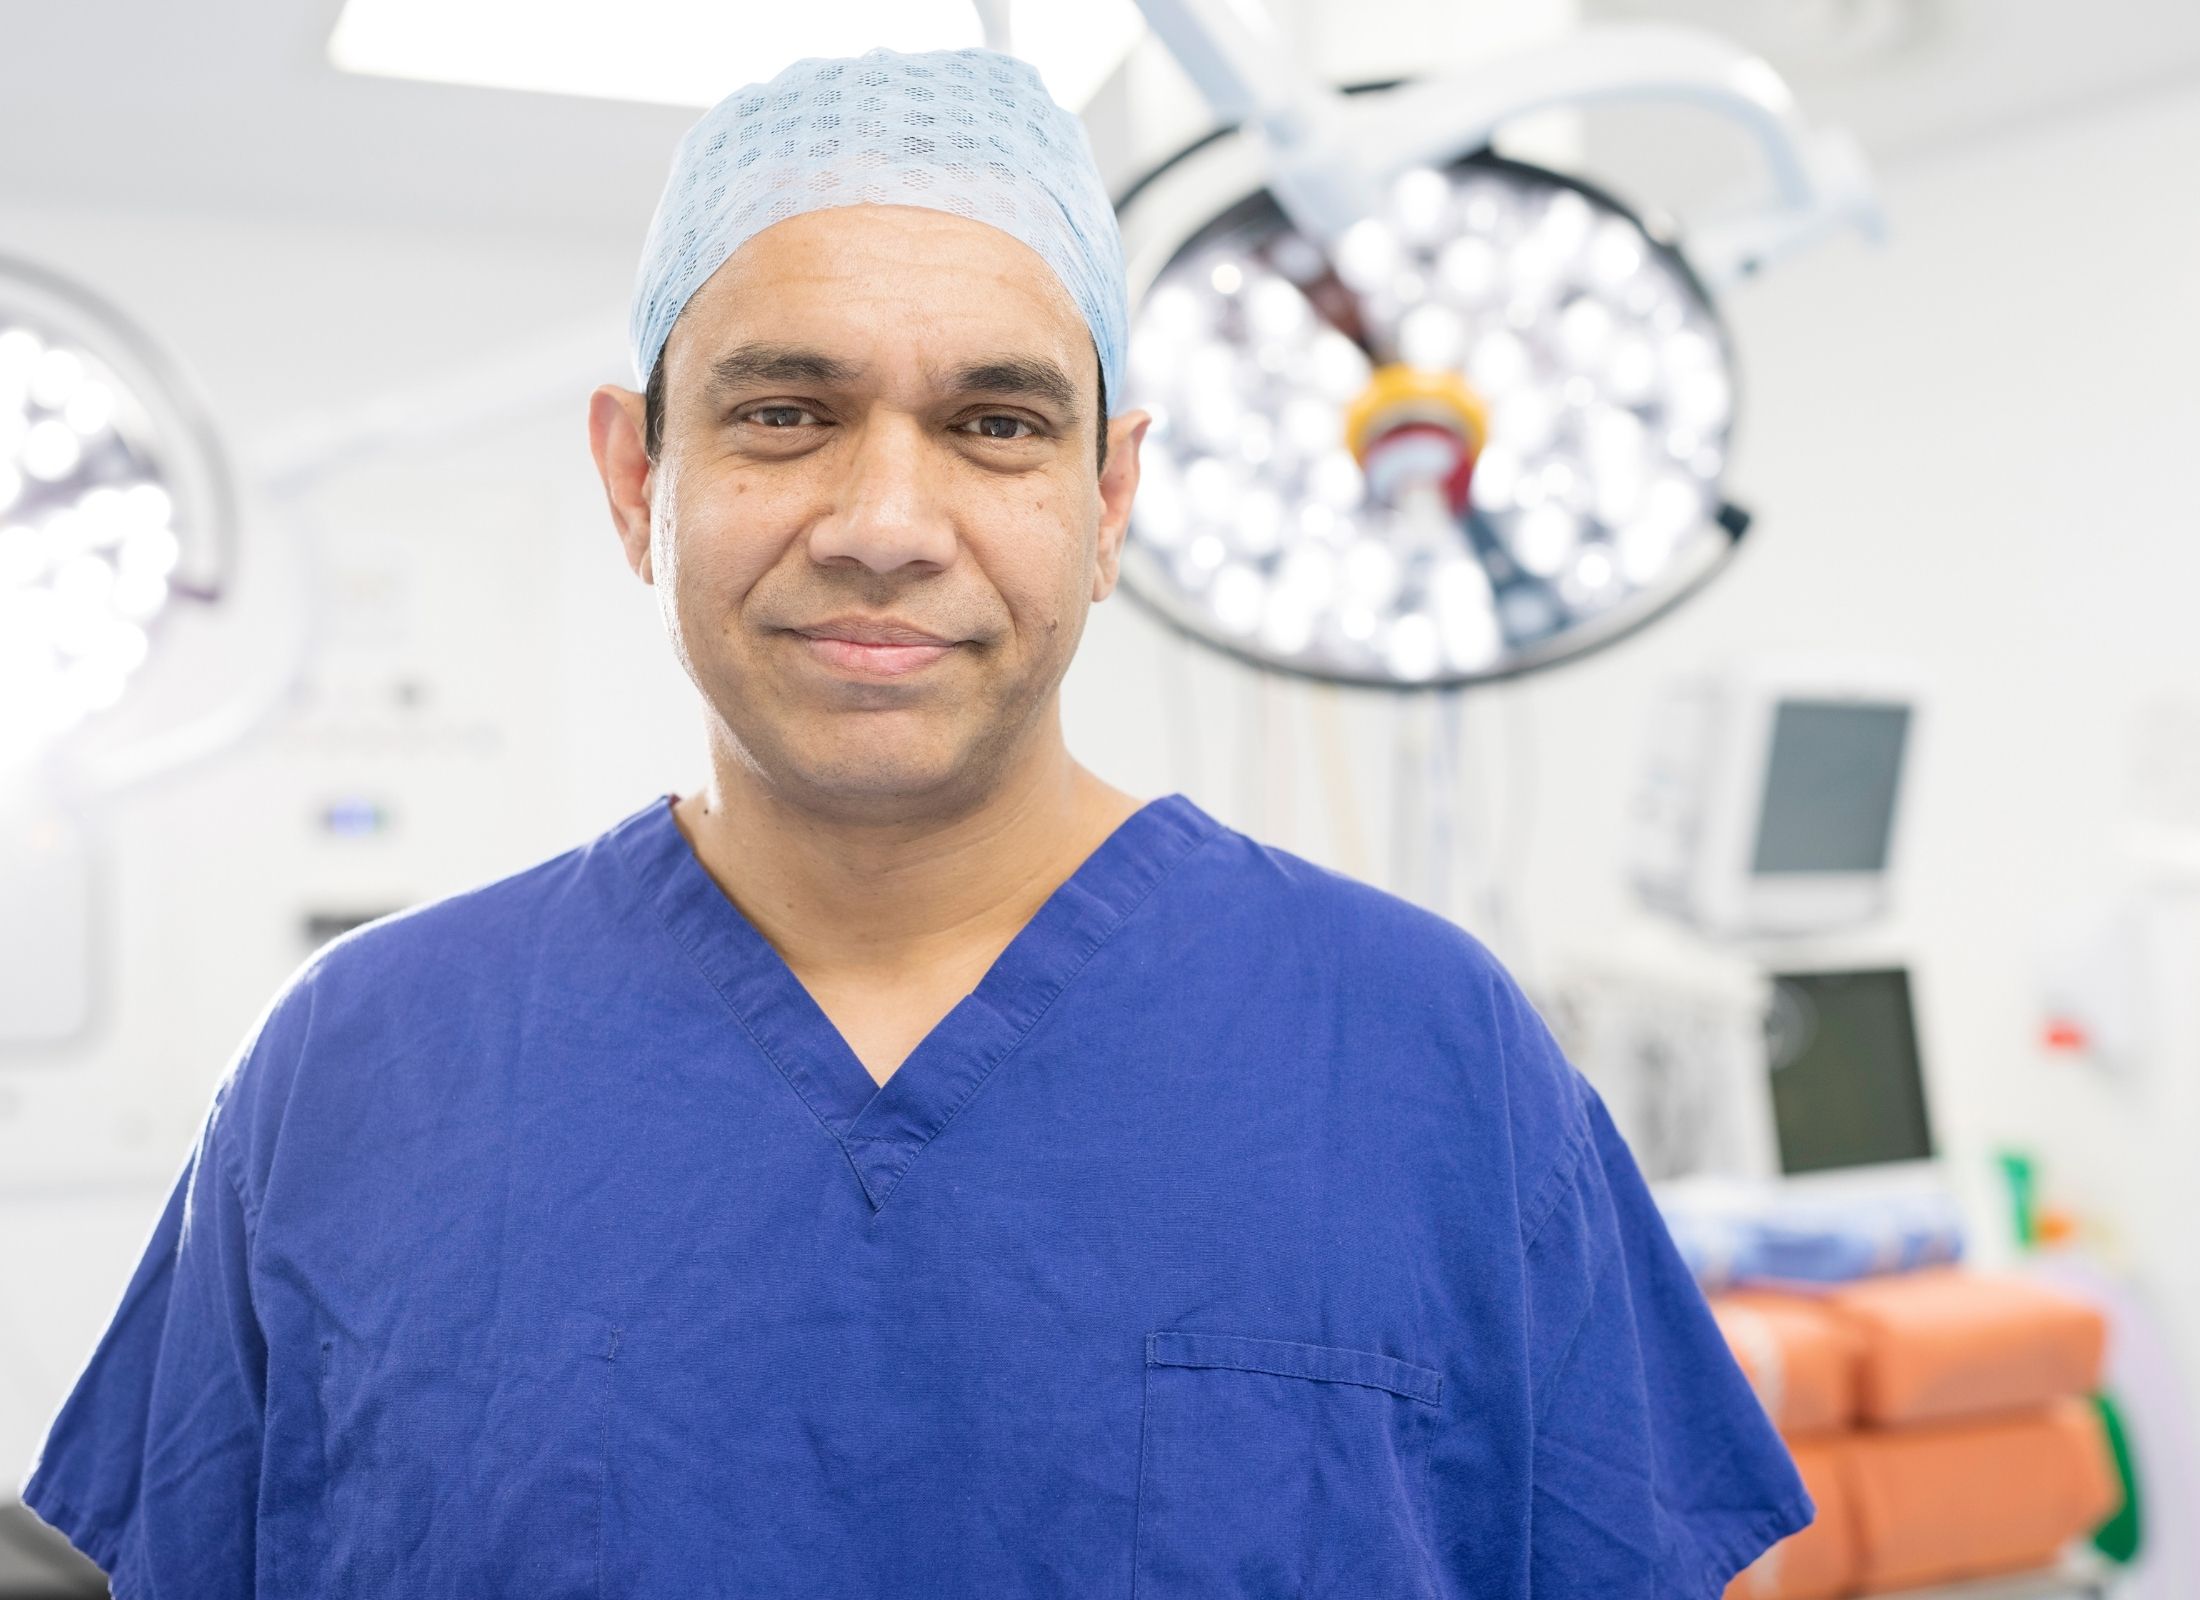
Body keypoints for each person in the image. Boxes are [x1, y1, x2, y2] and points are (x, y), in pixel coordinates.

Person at [18, 45, 1810, 1598]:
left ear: (1111, 499)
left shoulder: (1427, 1055)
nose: (886, 517)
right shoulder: (354, 1073)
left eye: (996, 424)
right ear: (640, 479)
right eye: (785, 412)